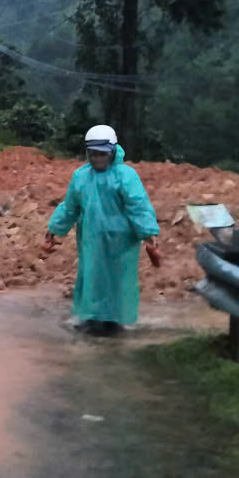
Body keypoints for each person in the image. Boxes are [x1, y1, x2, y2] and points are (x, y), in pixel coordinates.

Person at [41, 124, 160, 336]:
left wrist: (149, 234)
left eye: (101, 154)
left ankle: (115, 322)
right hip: (91, 239)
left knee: (117, 280)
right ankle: (91, 319)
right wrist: (54, 230)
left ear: (112, 152)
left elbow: (138, 206)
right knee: (92, 277)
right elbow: (70, 207)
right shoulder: (81, 177)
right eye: (93, 154)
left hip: (121, 243)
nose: (97, 159)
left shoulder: (126, 176)